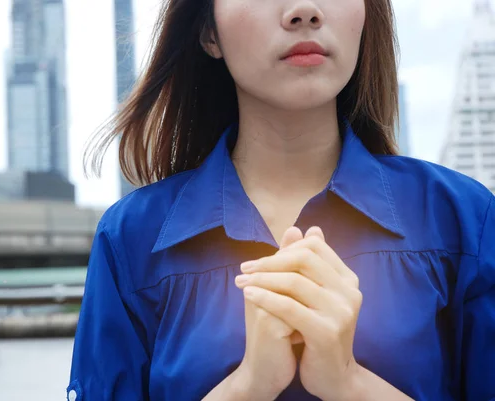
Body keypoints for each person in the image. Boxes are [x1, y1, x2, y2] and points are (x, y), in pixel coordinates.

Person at [67, 0, 495, 399]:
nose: (304, 10)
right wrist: (249, 385)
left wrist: (349, 383)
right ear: (208, 32)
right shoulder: (131, 239)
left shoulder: (464, 221)